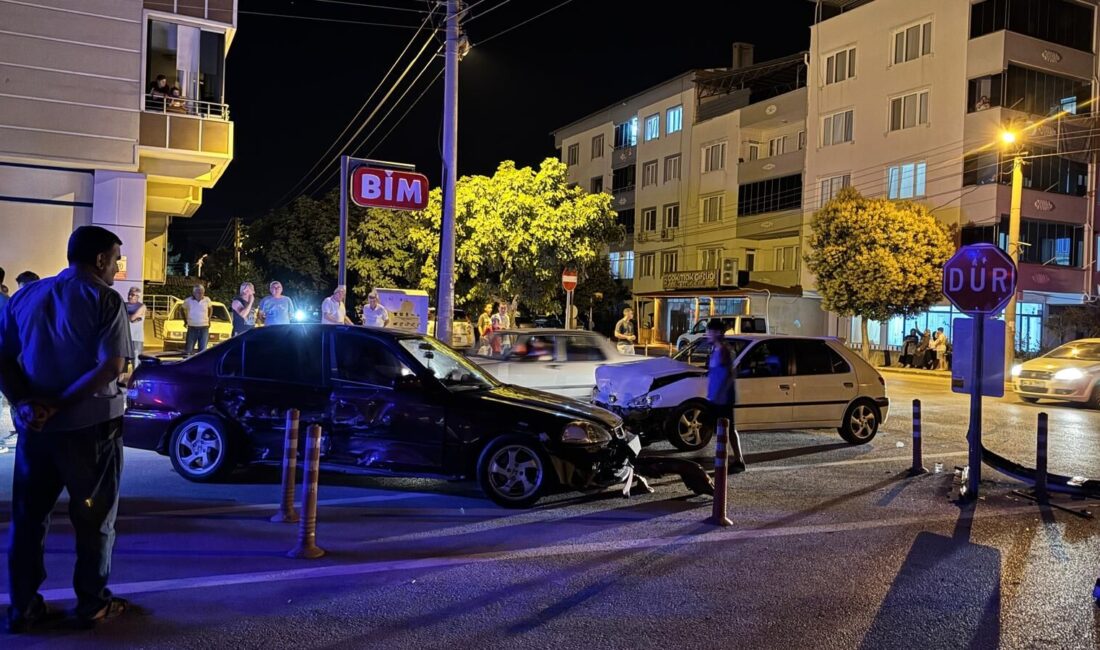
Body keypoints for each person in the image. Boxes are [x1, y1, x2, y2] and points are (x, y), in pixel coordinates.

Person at [0, 225, 134, 632]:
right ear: (100, 259)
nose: (116, 268)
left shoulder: (26, 295)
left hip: (36, 432)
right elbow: (111, 366)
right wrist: (59, 405)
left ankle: (23, 607)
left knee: (28, 520)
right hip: (90, 430)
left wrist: (26, 403)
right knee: (95, 520)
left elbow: (4, 359)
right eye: (115, 259)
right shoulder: (104, 299)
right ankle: (92, 603)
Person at [705, 319, 745, 473]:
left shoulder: (724, 350)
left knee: (727, 429)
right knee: (722, 429)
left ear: (718, 333)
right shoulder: (715, 350)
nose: (707, 334)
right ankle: (730, 459)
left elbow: (730, 374)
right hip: (716, 398)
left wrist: (721, 393)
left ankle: (735, 461)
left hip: (724, 399)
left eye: (710, 331)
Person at [182, 284, 212, 356]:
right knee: (189, 349)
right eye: (198, 292)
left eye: (202, 292)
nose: (200, 294)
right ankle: (187, 362)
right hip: (192, 327)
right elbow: (181, 309)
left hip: (204, 328)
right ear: (194, 293)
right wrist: (185, 321)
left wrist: (209, 319)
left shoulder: (207, 300)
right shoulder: (188, 300)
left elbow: (210, 308)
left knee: (203, 350)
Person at [126, 287, 146, 368]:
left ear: (138, 296)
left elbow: (132, 318)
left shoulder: (141, 306)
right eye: (129, 294)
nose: (129, 296)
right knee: (123, 362)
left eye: (132, 294)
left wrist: (125, 316)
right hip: (125, 338)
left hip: (136, 338)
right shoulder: (124, 305)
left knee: (136, 362)